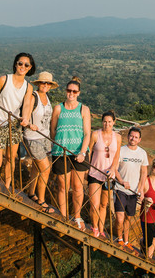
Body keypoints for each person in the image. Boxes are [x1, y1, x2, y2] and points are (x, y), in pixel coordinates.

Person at [0, 52, 36, 189]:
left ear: (30, 68)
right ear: (15, 64)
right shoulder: (4, 80)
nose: (22, 66)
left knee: (11, 158)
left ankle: (7, 185)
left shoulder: (28, 87)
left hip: (14, 125)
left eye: (26, 65)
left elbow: (27, 105)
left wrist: (26, 118)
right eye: (20, 63)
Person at [50, 76, 91, 227]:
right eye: (69, 90)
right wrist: (58, 144)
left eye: (74, 91)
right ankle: (63, 215)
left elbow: (87, 133)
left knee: (78, 187)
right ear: (65, 91)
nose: (71, 93)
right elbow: (52, 129)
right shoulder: (58, 108)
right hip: (61, 152)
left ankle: (78, 216)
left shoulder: (84, 109)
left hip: (78, 153)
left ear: (78, 93)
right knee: (63, 186)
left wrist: (82, 152)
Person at [25, 71, 58, 213]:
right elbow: (25, 115)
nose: (45, 85)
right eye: (43, 82)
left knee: (37, 167)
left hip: (44, 137)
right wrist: (29, 124)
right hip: (33, 137)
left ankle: (31, 192)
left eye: (48, 83)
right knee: (45, 169)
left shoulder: (47, 97)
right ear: (38, 83)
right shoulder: (34, 97)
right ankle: (41, 201)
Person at [87, 111, 122, 238]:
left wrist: (113, 169)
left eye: (109, 122)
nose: (107, 124)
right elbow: (89, 150)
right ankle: (95, 227)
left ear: (114, 122)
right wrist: (87, 166)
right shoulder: (95, 135)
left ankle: (101, 230)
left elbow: (117, 155)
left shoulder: (117, 137)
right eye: (105, 122)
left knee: (103, 204)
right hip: (95, 173)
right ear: (102, 122)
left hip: (109, 176)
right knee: (94, 204)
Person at [114, 126, 148, 249]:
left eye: (136, 137)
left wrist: (141, 188)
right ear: (128, 136)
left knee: (128, 217)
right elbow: (115, 169)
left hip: (133, 192)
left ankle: (127, 241)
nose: (133, 139)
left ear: (139, 140)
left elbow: (144, 172)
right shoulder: (121, 150)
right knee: (119, 217)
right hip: (120, 188)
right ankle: (120, 239)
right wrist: (121, 181)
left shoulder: (142, 153)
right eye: (131, 136)